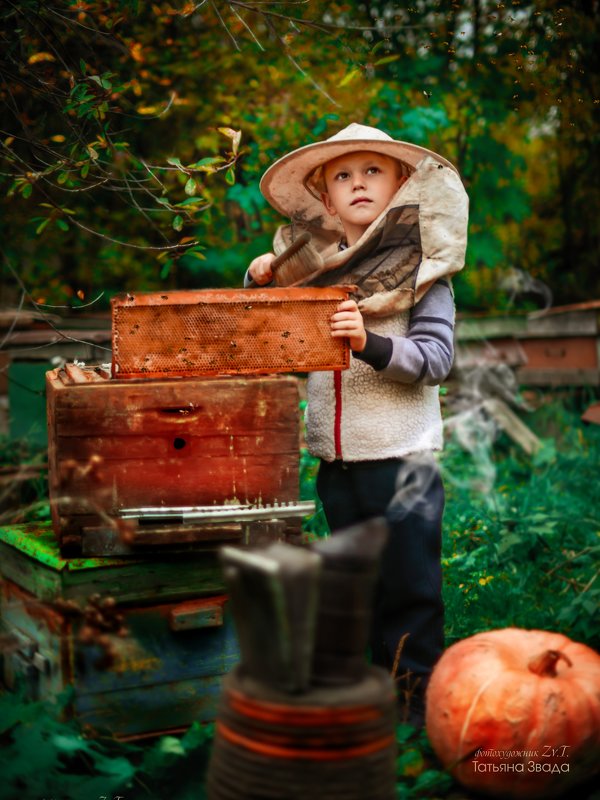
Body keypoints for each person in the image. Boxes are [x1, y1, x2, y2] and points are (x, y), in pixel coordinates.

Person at [245, 123, 469, 726]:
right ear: (325, 198)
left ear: (400, 183)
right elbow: (261, 334)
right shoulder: (313, 273)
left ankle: (417, 708)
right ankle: (368, 698)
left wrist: (368, 342)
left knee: (409, 589)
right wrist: (262, 277)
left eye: (373, 170)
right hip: (338, 464)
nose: (358, 183)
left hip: (402, 461)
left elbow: (436, 361)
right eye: (342, 175)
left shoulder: (425, 272)